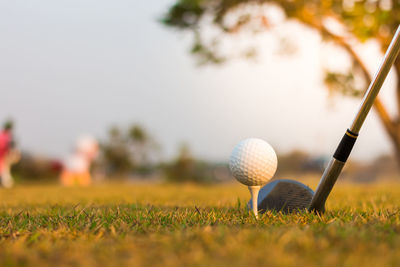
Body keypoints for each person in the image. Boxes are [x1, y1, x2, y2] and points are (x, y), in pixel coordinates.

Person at [0, 121, 19, 188]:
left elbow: (9, 145)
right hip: (3, 155)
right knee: (4, 169)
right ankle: (7, 183)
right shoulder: (5, 135)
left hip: (4, 155)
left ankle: (7, 183)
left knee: (4, 169)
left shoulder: (6, 135)